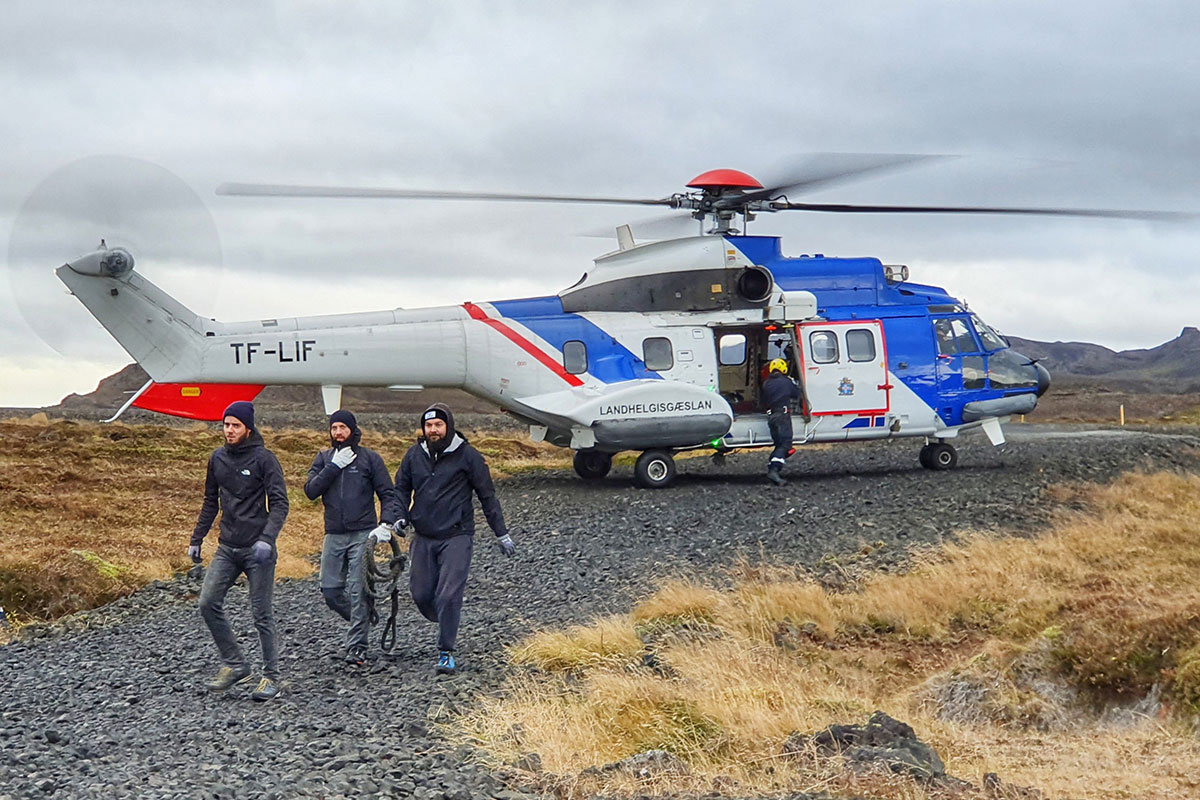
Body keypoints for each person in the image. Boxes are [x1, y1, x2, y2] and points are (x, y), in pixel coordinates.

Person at [394, 403, 515, 675]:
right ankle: (449, 616)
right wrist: (398, 517)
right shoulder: (414, 456)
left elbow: (487, 496)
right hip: (423, 535)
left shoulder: (467, 456)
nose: (433, 430)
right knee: (422, 595)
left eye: (438, 425)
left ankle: (446, 651)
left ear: (448, 425)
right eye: (428, 426)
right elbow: (400, 489)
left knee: (448, 595)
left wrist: (501, 533)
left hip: (457, 536)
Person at [189, 401, 289, 701]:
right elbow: (210, 501)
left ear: (248, 428)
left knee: (261, 614)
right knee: (207, 603)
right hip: (227, 548)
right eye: (226, 425)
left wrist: (267, 539)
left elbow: (280, 503)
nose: (229, 430)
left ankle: (271, 677)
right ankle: (235, 664)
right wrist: (197, 538)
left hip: (258, 550)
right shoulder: (217, 458)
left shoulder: (264, 459)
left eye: (235, 425)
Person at [304, 409, 397, 665]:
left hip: (362, 535)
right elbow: (311, 491)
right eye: (334, 428)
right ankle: (364, 618)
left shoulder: (369, 459)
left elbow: (387, 493)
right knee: (330, 591)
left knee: (358, 590)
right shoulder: (323, 459)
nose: (338, 433)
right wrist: (334, 467)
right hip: (333, 533)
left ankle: (357, 646)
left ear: (353, 430)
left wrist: (386, 524)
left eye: (343, 428)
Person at [761, 358, 800, 486]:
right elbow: (796, 394)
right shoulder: (786, 382)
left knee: (779, 444)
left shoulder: (766, 383)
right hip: (782, 416)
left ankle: (774, 465)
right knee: (785, 444)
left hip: (771, 416)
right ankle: (774, 471)